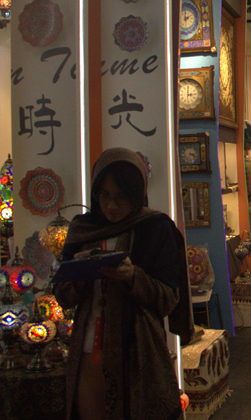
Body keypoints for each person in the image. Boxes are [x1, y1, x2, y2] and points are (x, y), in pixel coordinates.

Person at [54, 148, 192, 420]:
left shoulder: (155, 228)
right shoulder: (82, 229)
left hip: (139, 353)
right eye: (104, 195)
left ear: (137, 194)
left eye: (121, 197)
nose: (111, 205)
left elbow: (168, 299)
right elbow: (62, 296)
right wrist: (78, 274)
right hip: (86, 349)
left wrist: (133, 277)